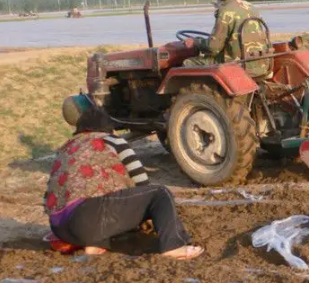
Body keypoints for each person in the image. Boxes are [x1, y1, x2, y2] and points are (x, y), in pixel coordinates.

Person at [45, 106, 203, 260]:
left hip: (59, 228)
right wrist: (151, 215)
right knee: (159, 194)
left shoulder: (66, 147)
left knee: (116, 215)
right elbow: (141, 182)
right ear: (107, 128)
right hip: (88, 218)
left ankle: (95, 243)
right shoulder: (111, 140)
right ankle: (174, 246)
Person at [183, 0, 271, 77]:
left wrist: (195, 42)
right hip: (259, 63)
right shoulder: (252, 7)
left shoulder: (226, 11)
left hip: (235, 65)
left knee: (187, 63)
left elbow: (213, 48)